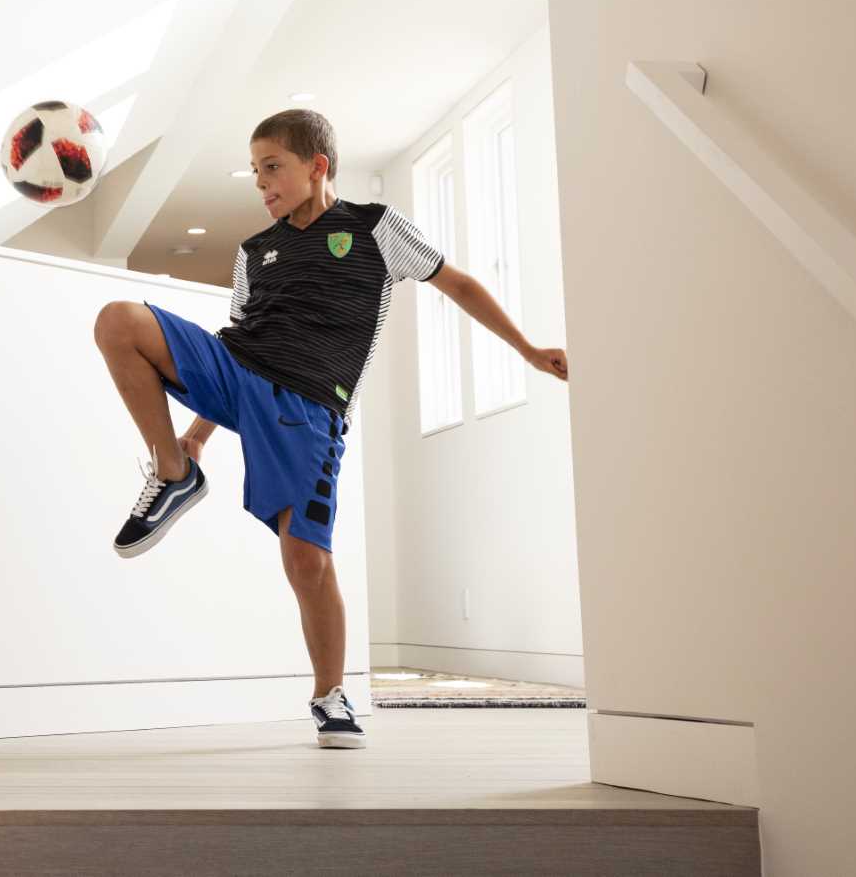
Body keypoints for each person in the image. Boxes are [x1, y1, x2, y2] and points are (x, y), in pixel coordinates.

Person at [92, 109, 569, 749]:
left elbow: (457, 283)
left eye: (273, 168)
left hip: (309, 405)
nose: (261, 184)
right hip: (237, 369)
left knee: (306, 561)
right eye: (256, 171)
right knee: (120, 320)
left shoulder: (373, 228)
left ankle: (330, 695)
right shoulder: (253, 252)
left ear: (318, 166)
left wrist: (527, 350)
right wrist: (198, 436)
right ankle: (175, 474)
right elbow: (243, 338)